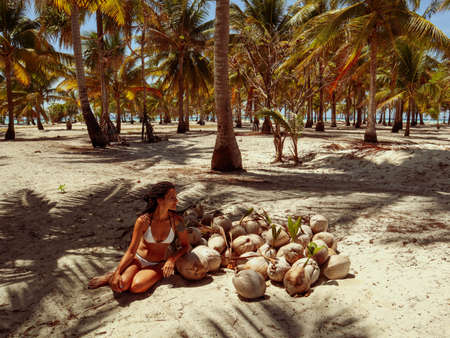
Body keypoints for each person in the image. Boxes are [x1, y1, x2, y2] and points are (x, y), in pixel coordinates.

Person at [88, 181, 189, 293]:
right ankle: (110, 276)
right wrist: (117, 272)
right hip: (138, 260)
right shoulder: (143, 221)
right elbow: (131, 250)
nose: (176, 200)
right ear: (160, 200)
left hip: (158, 264)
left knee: (136, 287)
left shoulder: (178, 222)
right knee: (121, 286)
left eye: (176, 197)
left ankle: (124, 275)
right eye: (172, 198)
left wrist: (171, 259)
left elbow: (185, 245)